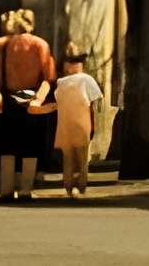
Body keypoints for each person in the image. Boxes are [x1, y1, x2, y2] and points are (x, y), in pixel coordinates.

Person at [0, 7, 58, 203]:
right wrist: (39, 100)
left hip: (8, 98)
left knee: (7, 145)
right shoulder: (41, 45)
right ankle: (25, 189)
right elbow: (48, 78)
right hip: (31, 99)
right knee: (30, 146)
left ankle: (6, 189)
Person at [52, 46, 105, 197]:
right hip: (82, 123)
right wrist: (97, 122)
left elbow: (57, 102)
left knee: (68, 158)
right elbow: (97, 102)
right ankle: (81, 186)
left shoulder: (60, 83)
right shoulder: (86, 79)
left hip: (64, 124)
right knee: (82, 158)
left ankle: (69, 187)